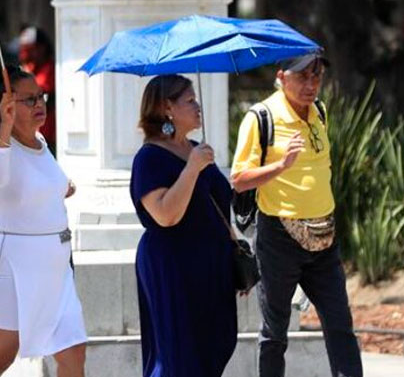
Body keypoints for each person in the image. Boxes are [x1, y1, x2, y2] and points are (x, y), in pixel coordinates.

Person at [231, 54, 361, 377]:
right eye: (302, 76)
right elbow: (239, 179)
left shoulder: (320, 112)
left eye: (316, 77)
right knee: (275, 333)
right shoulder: (261, 117)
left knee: (340, 325)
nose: (311, 85)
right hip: (278, 238)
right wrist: (280, 166)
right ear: (281, 76)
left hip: (324, 238)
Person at [0, 66, 87, 377]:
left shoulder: (41, 145)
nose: (39, 104)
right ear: (7, 105)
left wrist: (63, 188)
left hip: (57, 268)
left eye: (41, 97)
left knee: (74, 352)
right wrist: (6, 126)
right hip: (17, 267)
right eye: (29, 99)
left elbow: (49, 186)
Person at [129, 75, 237, 377]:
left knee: (211, 350)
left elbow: (219, 204)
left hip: (212, 267)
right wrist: (191, 168)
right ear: (167, 108)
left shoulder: (195, 148)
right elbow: (166, 215)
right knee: (176, 358)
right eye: (190, 101)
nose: (198, 106)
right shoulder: (149, 158)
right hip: (172, 267)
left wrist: (234, 257)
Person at [17, 25, 55, 148]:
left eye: (30, 50)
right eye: (23, 50)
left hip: (48, 137)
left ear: (42, 48)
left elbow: (39, 90)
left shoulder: (50, 70)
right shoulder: (30, 69)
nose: (25, 55)